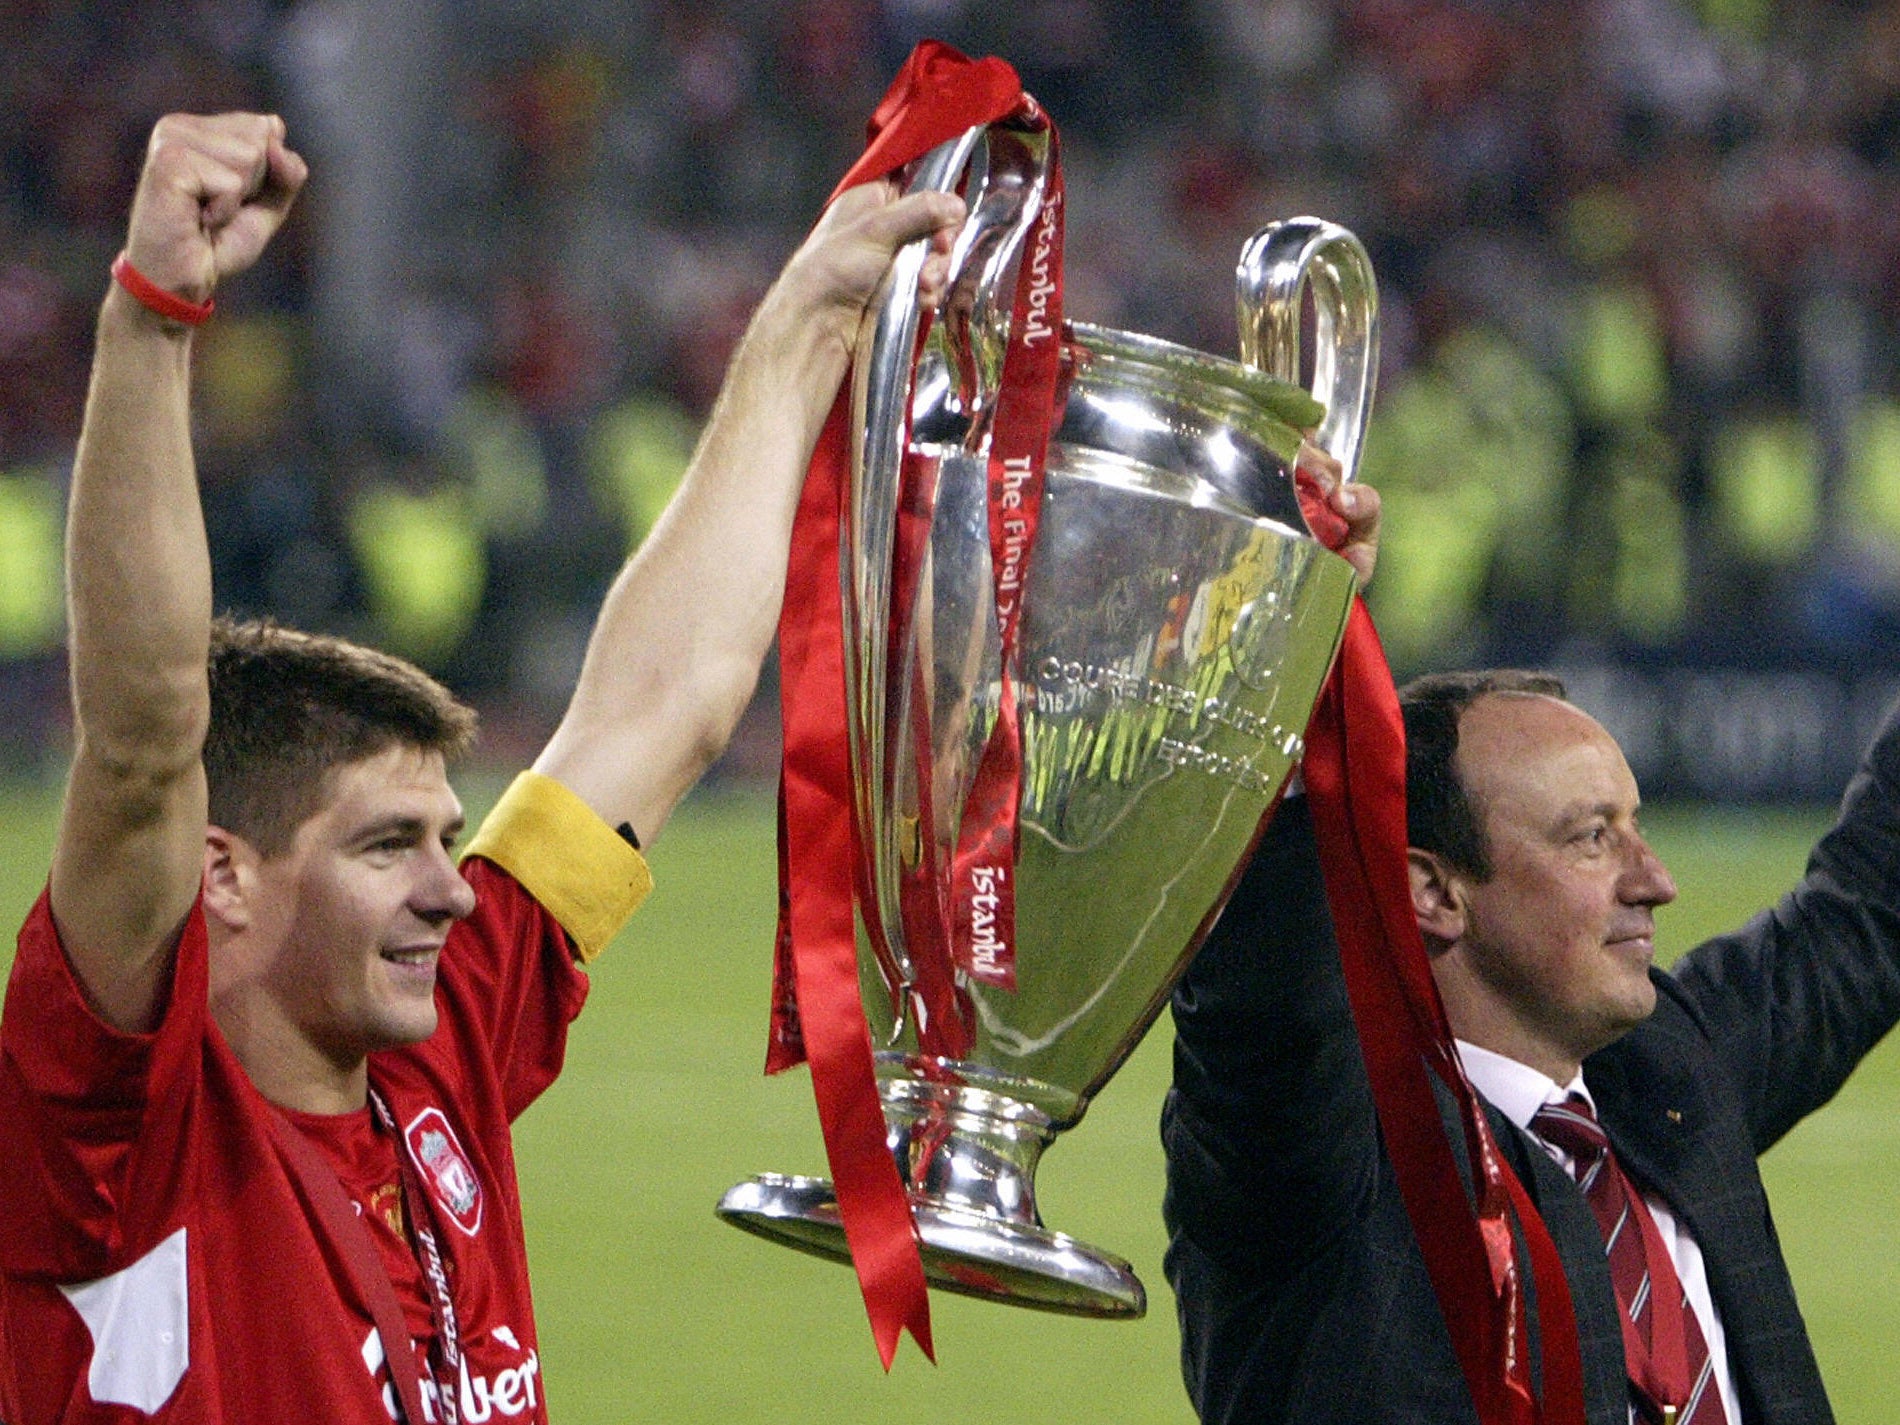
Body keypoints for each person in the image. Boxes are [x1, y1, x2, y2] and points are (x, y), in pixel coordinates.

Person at [0, 111, 962, 1424]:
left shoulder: (438, 1042)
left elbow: (664, 702)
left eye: (444, 838)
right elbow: (139, 747)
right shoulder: (114, 1134)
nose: (452, 890)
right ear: (218, 874)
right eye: (388, 845)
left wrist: (802, 327)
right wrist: (156, 318)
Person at [1163, 513, 1900, 1420]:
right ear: (1433, 891)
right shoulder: (1328, 1167)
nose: (1656, 882)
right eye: (1592, 839)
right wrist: (1281, 641)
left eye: (1637, 828)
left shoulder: (1666, 1073)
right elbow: (1260, 1006)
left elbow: (1865, 911)